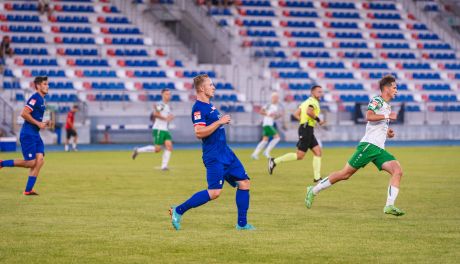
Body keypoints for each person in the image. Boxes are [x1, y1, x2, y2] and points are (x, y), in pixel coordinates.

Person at [305, 75, 405, 216]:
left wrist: (387, 131)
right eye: (394, 87)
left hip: (379, 149)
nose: (396, 90)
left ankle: (389, 206)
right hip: (368, 146)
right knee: (345, 174)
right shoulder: (377, 100)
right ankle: (313, 190)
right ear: (386, 88)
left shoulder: (387, 106)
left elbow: (377, 123)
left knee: (398, 171)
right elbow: (369, 116)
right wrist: (387, 117)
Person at [169, 74, 254, 231]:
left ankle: (242, 224)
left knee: (244, 183)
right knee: (215, 192)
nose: (213, 87)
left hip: (226, 153)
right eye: (210, 85)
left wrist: (219, 122)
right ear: (202, 88)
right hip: (214, 156)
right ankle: (178, 210)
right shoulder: (198, 108)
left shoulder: (210, 105)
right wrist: (219, 122)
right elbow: (199, 132)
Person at [0, 76, 50, 195]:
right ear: (38, 86)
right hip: (28, 135)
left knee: (40, 160)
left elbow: (35, 116)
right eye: (44, 84)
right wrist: (38, 123)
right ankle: (2, 163)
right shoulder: (34, 98)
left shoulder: (42, 99)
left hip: (35, 134)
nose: (47, 86)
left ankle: (28, 190)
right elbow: (24, 113)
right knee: (31, 163)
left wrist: (42, 123)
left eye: (47, 84)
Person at [268, 85, 325, 182]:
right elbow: (309, 112)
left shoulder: (306, 102)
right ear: (313, 93)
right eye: (319, 92)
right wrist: (318, 120)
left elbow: (295, 114)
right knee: (300, 155)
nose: (321, 93)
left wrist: (303, 121)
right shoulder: (312, 102)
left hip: (307, 128)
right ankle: (274, 161)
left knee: (318, 152)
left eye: (321, 92)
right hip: (306, 129)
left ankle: (317, 178)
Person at [132, 88, 174, 171]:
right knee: (157, 149)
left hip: (165, 129)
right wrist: (166, 118)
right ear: (162, 95)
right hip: (158, 129)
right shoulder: (160, 104)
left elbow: (164, 116)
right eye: (166, 94)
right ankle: (138, 150)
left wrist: (170, 117)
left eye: (169, 94)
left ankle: (164, 166)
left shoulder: (167, 106)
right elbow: (155, 114)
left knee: (169, 146)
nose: (168, 96)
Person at [251, 92, 282, 160]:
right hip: (267, 124)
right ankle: (266, 152)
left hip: (269, 124)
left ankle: (255, 154)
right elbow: (261, 111)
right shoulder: (269, 105)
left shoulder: (275, 107)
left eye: (277, 98)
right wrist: (268, 114)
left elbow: (273, 117)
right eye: (275, 97)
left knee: (265, 140)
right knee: (277, 138)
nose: (276, 99)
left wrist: (278, 116)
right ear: (272, 98)